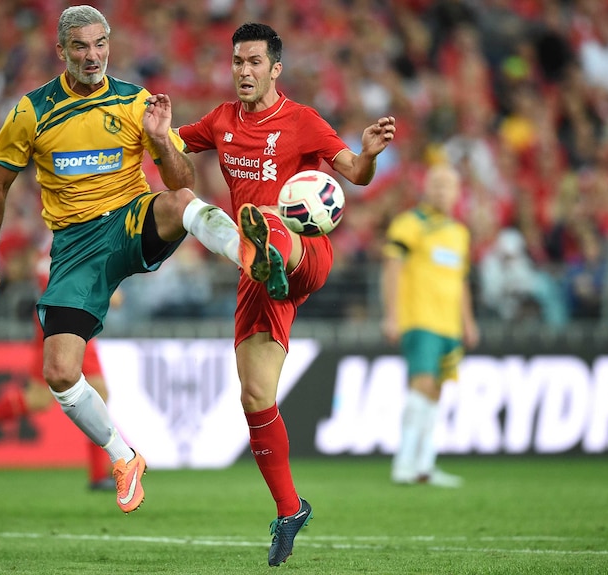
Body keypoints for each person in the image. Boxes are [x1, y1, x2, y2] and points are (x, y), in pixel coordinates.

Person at [0, 5, 256, 515]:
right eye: (80, 46)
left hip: (128, 220)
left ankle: (250, 255)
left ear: (110, 45)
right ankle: (124, 459)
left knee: (179, 203)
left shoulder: (134, 101)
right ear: (61, 51)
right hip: (76, 248)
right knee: (59, 371)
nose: (92, 56)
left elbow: (178, 178)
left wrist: (160, 139)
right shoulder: (32, 111)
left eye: (99, 44)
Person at [176, 23, 396, 566]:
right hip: (259, 276)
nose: (243, 71)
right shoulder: (221, 122)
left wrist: (366, 155)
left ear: (276, 68)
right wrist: (155, 133)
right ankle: (290, 508)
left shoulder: (303, 122)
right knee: (255, 398)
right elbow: (173, 144)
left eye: (254, 62)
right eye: (237, 61)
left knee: (258, 216)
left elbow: (354, 174)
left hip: (305, 253)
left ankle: (268, 249)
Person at [0, 263, 119, 492]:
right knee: (97, 392)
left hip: (64, 314)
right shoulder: (75, 236)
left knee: (37, 399)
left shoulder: (61, 238)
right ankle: (98, 475)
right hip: (70, 316)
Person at [380, 163, 479, 488]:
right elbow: (392, 268)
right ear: (426, 189)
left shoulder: (459, 232)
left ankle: (425, 465)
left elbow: (461, 280)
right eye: (436, 184)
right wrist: (392, 314)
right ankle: (403, 463)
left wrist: (469, 322)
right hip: (419, 319)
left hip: (449, 325)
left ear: (457, 193)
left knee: (436, 392)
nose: (441, 191)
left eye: (447, 185)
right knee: (421, 385)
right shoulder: (410, 224)